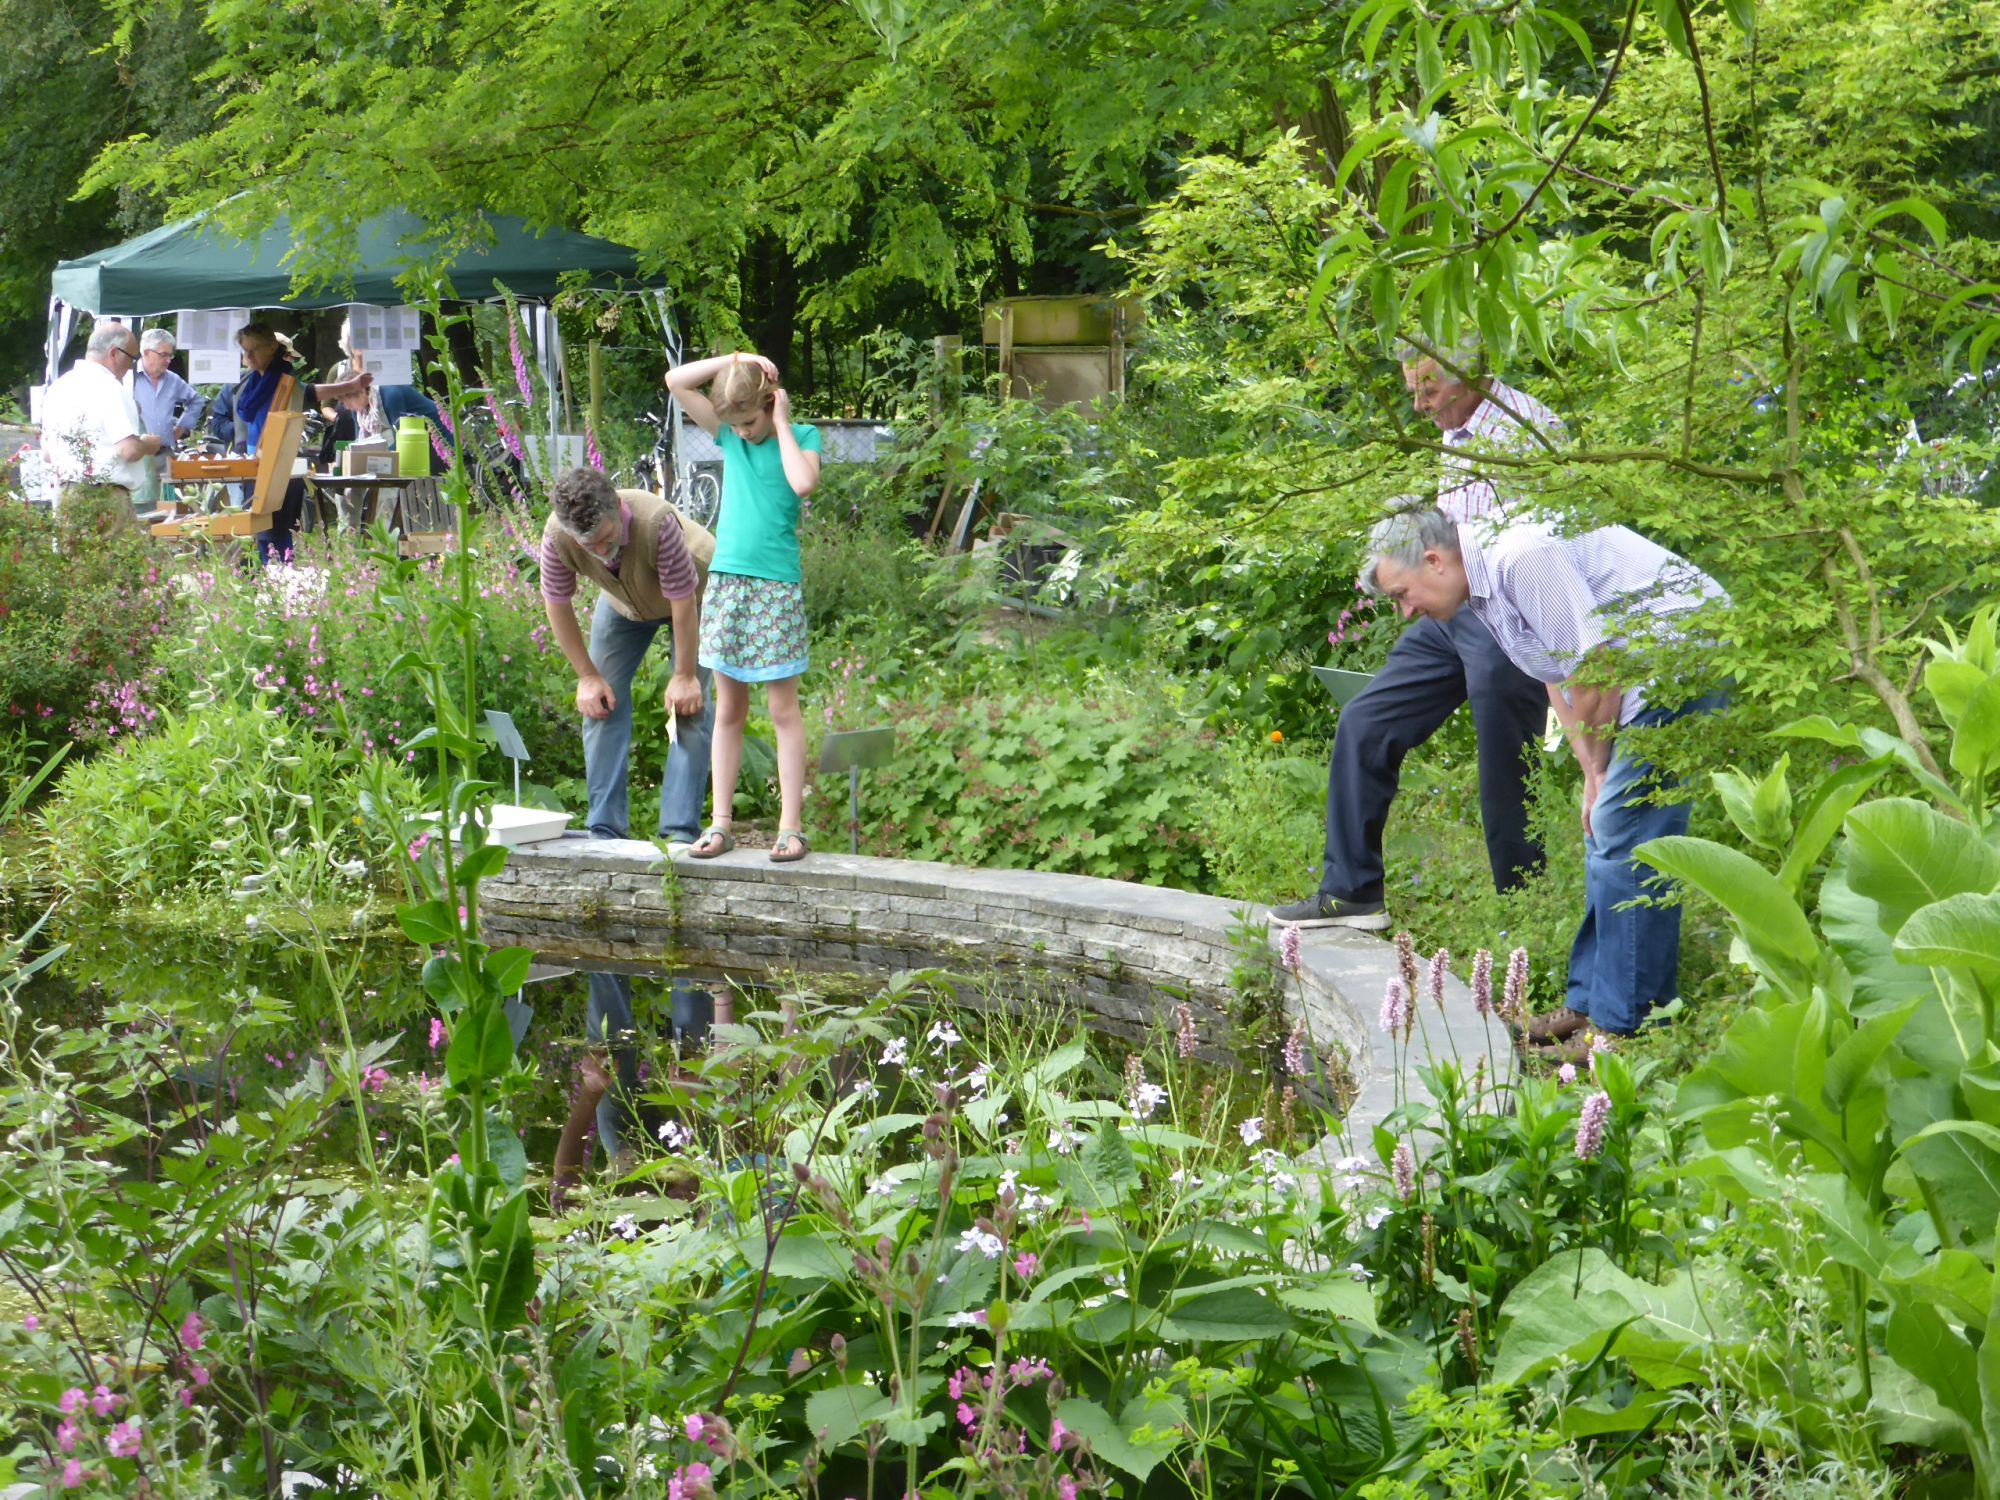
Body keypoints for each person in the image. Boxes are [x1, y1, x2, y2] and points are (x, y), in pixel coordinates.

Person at [1361, 506, 1729, 1056]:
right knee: (1603, 827)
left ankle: (1628, 1028)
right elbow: (1557, 672)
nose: (1406, 610)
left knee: (1626, 832)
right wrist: (1592, 770)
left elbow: (1597, 668)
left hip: (1683, 653)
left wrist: (1601, 771)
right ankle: (1591, 1005)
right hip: (1632, 668)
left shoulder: (1520, 558)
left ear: (1434, 561)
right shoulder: (1480, 587)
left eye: (1401, 594)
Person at [1269, 344, 1564, 930]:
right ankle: (1351, 893)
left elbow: (1549, 546)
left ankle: (1525, 914)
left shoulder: (1526, 429)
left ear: (1470, 375)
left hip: (1509, 607)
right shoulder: (1455, 429)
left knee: (1505, 761)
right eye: (1413, 390)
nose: (1419, 405)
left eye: (1427, 389)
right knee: (1365, 720)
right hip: (1452, 607)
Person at [666, 353, 822, 864]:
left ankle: (791, 829)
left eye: (749, 421)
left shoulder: (802, 437)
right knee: (729, 710)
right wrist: (738, 359)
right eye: (734, 425)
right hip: (728, 584)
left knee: (782, 711)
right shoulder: (730, 435)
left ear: (770, 403)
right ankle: (721, 825)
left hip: (775, 588)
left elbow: (803, 483)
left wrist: (781, 422)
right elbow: (675, 381)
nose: (742, 432)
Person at [539, 467, 714, 853]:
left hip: (696, 596)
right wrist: (587, 677)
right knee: (599, 703)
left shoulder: (656, 523)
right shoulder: (557, 536)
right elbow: (557, 604)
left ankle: (678, 834)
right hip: (624, 602)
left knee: (688, 705)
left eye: (606, 538)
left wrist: (684, 675)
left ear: (617, 507)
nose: (601, 551)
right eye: (589, 545)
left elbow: (682, 603)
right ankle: (605, 831)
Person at [232, 321, 371, 560]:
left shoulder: (282, 379)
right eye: (245, 350)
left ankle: (279, 573)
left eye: (253, 349)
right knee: (261, 533)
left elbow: (310, 392)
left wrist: (351, 385)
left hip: (280, 467)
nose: (248, 356)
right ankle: (270, 573)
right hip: (258, 464)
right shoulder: (255, 380)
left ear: (271, 348)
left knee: (275, 533)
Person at [39, 321, 161, 531]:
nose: (130, 367)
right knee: (115, 553)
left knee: (73, 552)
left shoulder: (57, 388)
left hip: (65, 495)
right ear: (114, 353)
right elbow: (129, 450)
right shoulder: (111, 388)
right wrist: (148, 445)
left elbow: (47, 453)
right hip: (104, 497)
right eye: (131, 359)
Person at [125, 329, 206, 510]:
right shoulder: (128, 378)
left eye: (170, 355)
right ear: (146, 352)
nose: (168, 360)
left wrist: (181, 427)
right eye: (163, 355)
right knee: (142, 507)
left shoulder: (172, 380)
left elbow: (196, 401)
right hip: (139, 457)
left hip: (165, 456)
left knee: (170, 506)